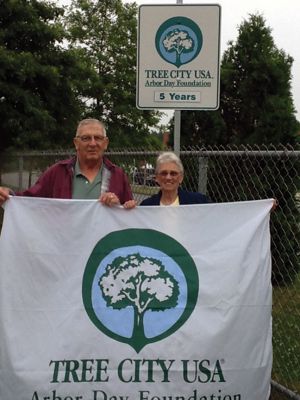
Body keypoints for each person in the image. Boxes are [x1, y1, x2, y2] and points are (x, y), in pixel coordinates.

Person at [0, 118, 133, 207]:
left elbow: (129, 215)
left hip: (102, 247)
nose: (92, 143)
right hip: (65, 247)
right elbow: (30, 200)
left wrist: (119, 205)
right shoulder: (57, 172)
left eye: (98, 138)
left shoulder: (118, 175)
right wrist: (9, 195)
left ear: (105, 143)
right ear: (76, 143)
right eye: (86, 138)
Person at [140, 151, 210, 206]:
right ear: (157, 177)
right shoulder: (146, 206)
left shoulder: (198, 202)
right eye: (164, 173)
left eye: (173, 173)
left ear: (181, 177)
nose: (168, 177)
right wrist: (131, 211)